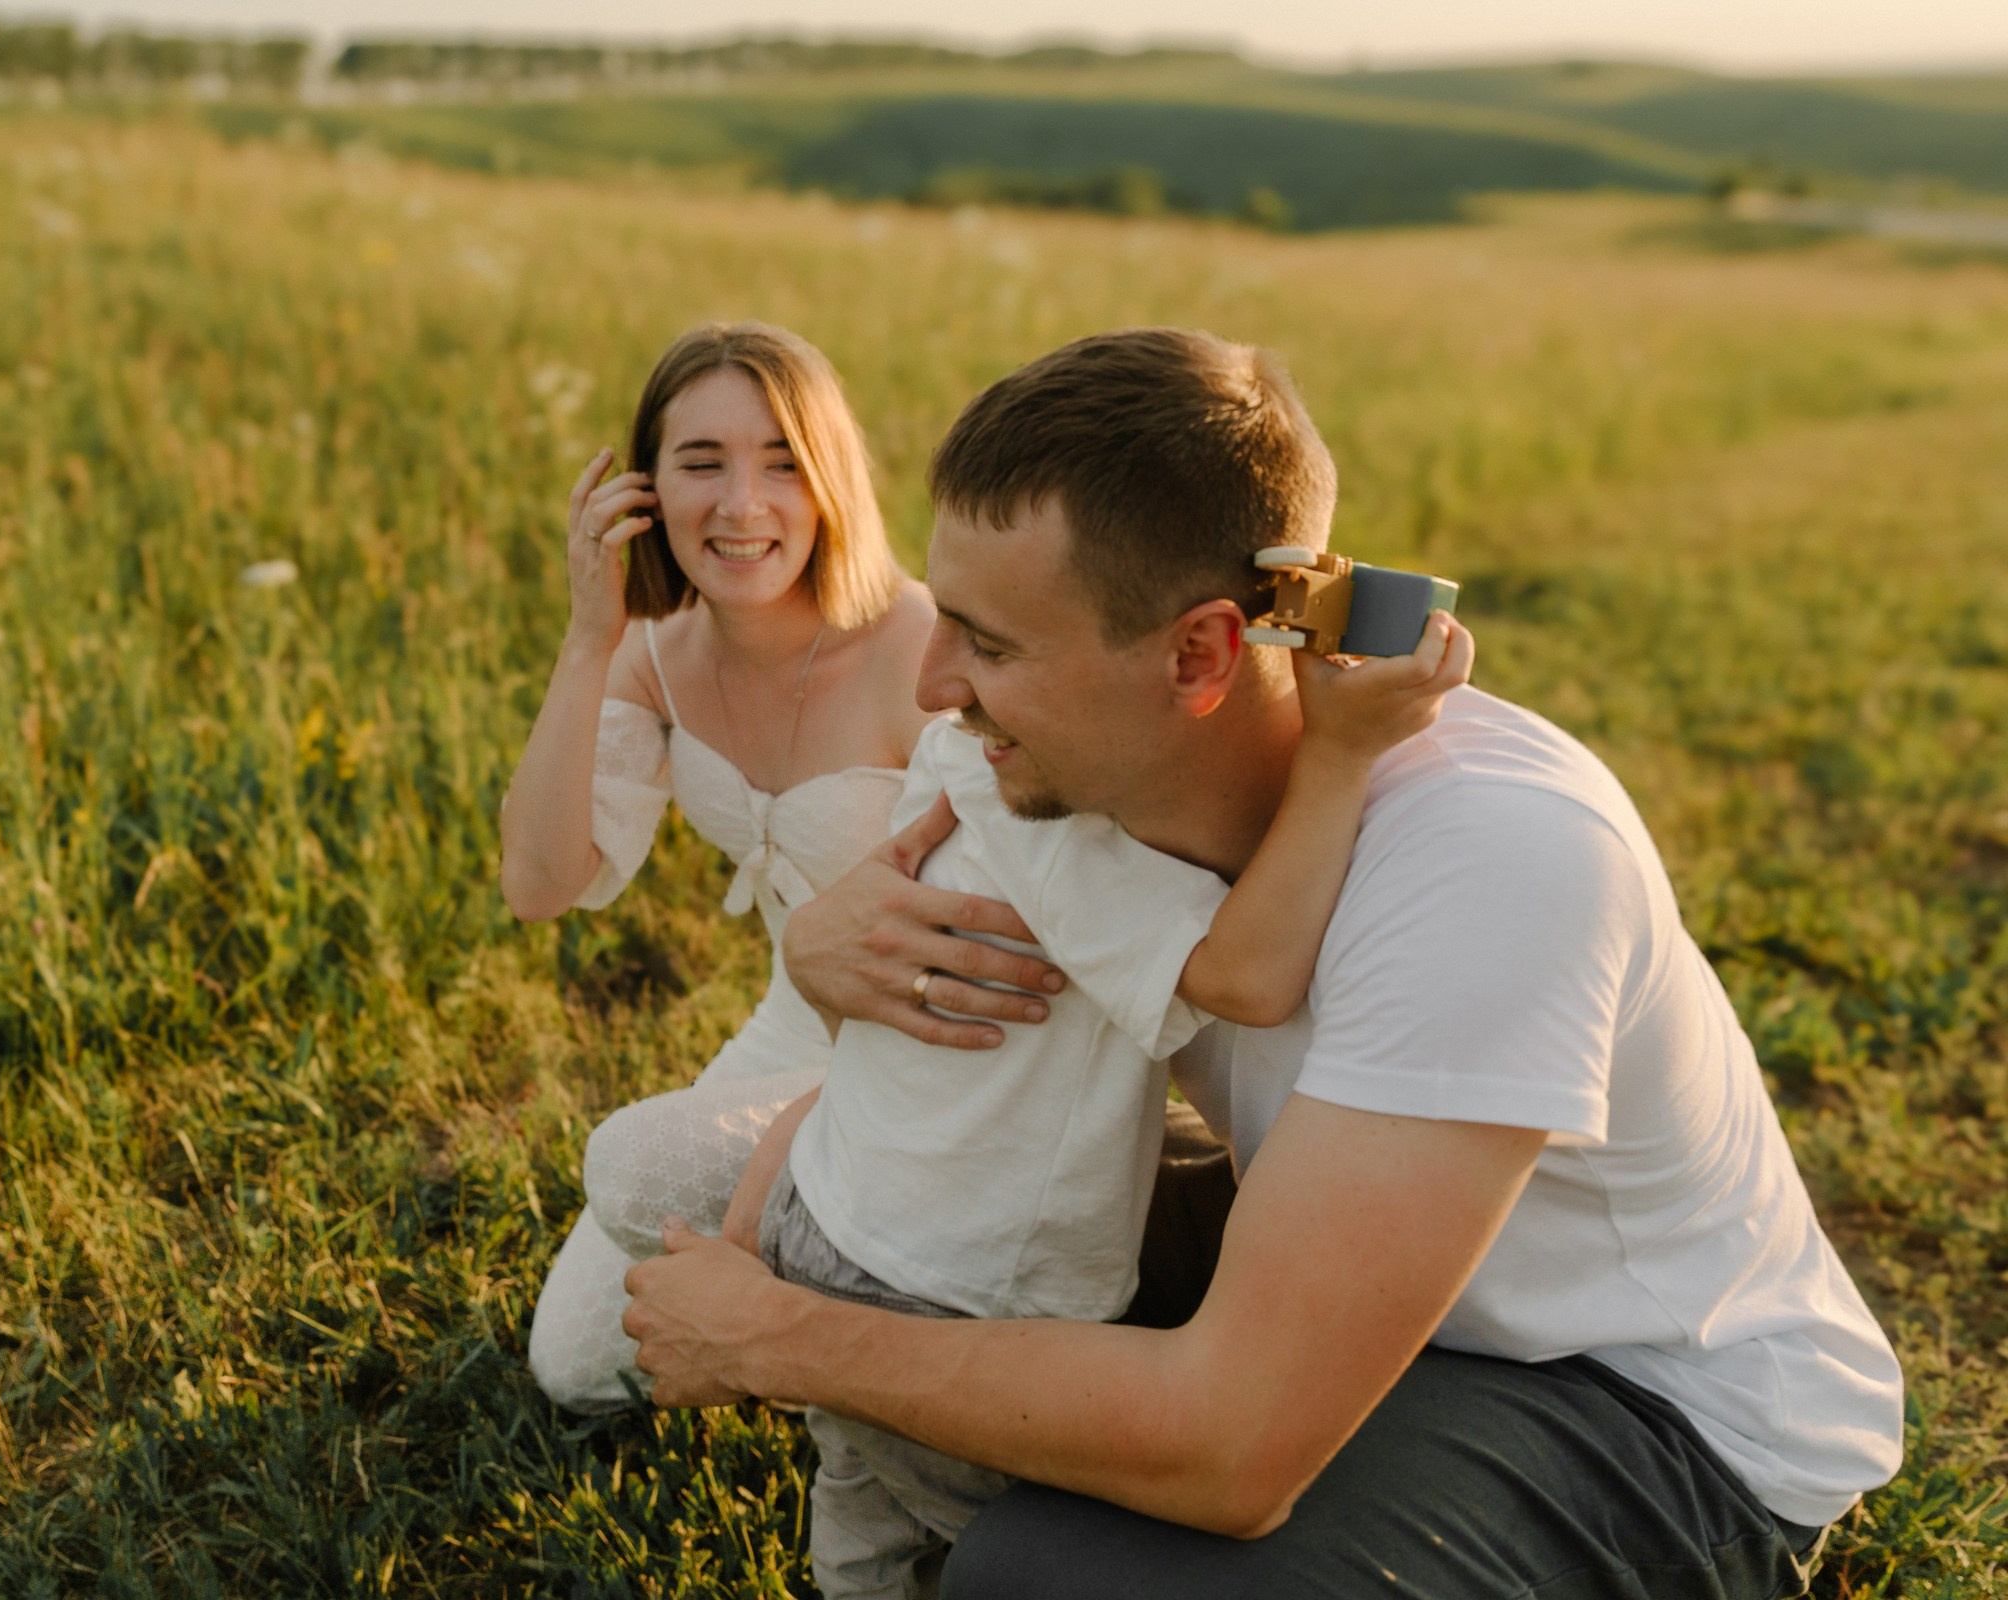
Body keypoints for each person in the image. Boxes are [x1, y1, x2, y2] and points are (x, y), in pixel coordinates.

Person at [621, 328, 1904, 1597]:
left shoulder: (1497, 859)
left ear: (1201, 654)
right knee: (875, 1226)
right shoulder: (1085, 789)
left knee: (1044, 1574)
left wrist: (781, 1339)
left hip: (1641, 1403)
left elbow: (1231, 1452)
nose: (932, 683)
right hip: (1343, 1226)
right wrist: (824, 961)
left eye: (992, 645)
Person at [720, 606, 1468, 1599]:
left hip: (841, 1202)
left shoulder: (966, 758)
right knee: (1042, 1542)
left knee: (863, 1501)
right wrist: (1339, 754)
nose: (934, 684)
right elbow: (1247, 976)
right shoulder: (1053, 825)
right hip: (954, 1282)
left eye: (991, 642)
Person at [501, 321, 937, 1412]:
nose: (742, 506)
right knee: (580, 1363)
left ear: (831, 481)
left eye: (783, 463)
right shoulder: (655, 654)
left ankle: (849, 1330)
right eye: (703, 463)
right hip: (796, 1028)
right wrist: (589, 639)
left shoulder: (913, 647)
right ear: (647, 488)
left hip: (930, 1046)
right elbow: (541, 883)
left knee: (638, 1167)